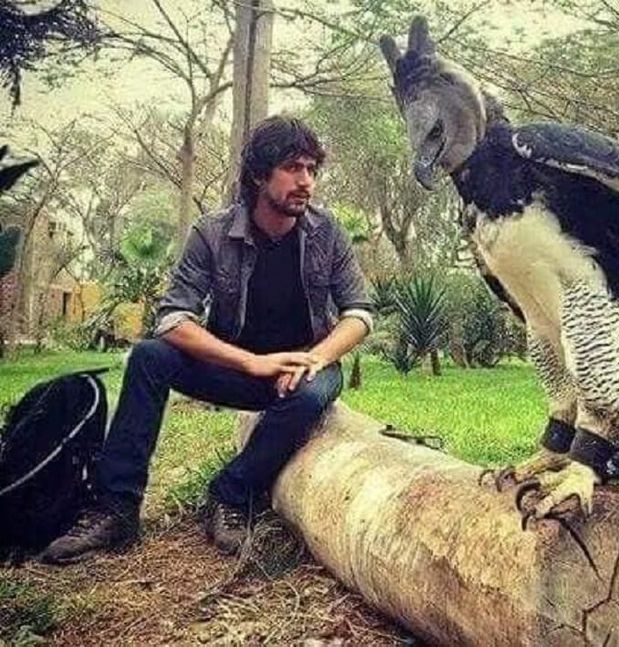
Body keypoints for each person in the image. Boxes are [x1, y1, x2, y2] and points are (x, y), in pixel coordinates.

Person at [42, 116, 374, 563]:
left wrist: (315, 358)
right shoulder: (212, 233)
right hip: (234, 369)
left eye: (312, 170)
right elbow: (173, 319)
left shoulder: (327, 232)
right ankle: (116, 509)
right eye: (293, 167)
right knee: (148, 356)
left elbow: (359, 313)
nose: (306, 182)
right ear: (258, 175)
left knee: (313, 392)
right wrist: (251, 362)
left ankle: (231, 494)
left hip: (301, 371)